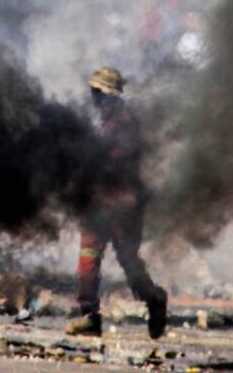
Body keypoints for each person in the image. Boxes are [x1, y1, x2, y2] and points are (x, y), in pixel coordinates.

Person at [67, 67, 167, 339]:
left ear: (108, 95)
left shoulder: (123, 123)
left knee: (128, 260)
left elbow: (116, 162)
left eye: (97, 92)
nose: (93, 98)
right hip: (100, 202)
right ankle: (89, 316)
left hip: (122, 204)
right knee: (88, 258)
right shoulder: (106, 121)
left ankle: (154, 300)